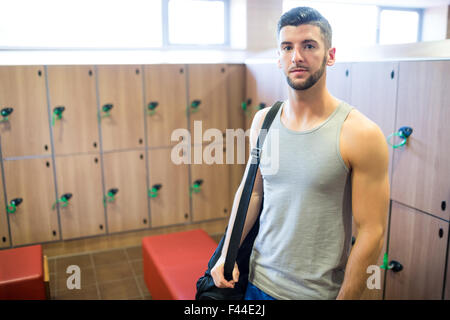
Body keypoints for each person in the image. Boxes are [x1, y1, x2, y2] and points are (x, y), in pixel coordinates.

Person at [211, 6, 390, 300]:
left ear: (330, 55)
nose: (297, 56)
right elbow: (252, 193)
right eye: (287, 47)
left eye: (308, 45)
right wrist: (226, 256)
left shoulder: (360, 133)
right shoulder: (263, 121)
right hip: (256, 284)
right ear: (279, 58)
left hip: (316, 294)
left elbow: (372, 231)